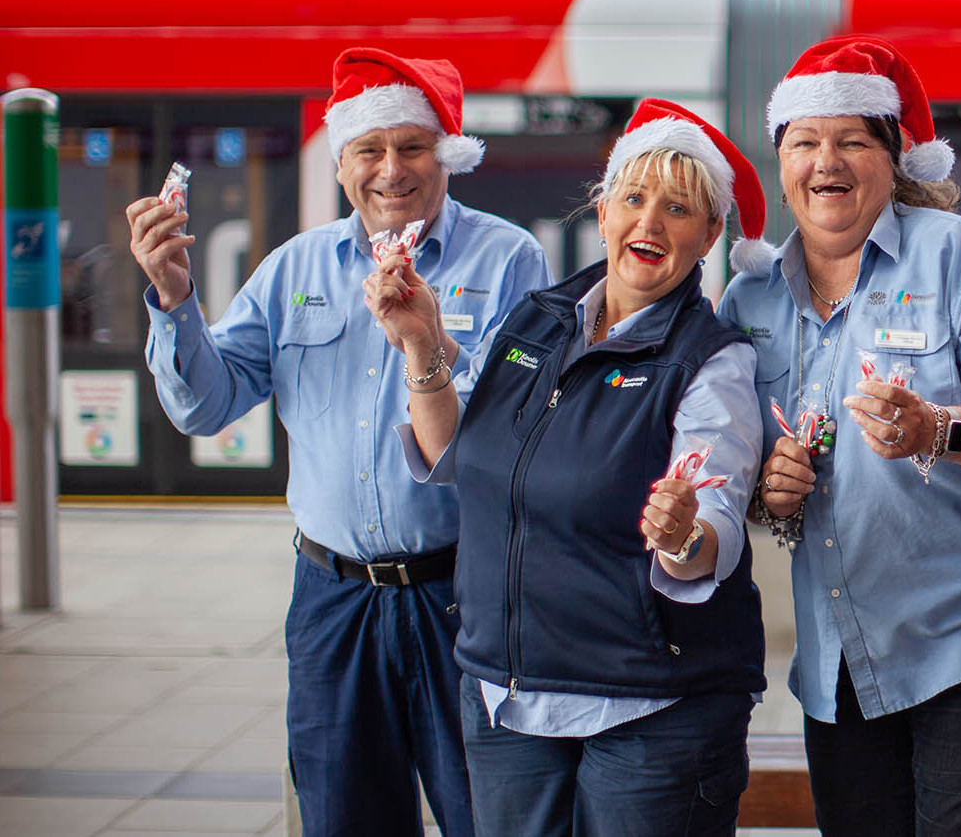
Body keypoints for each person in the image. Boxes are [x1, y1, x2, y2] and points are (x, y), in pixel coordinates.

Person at [125, 47, 552, 835]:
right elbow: (206, 407)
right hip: (332, 601)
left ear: (445, 154)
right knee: (340, 815)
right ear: (344, 162)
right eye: (369, 149)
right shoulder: (295, 268)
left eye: (412, 147)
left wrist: (431, 347)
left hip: (466, 593)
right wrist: (174, 297)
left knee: (487, 814)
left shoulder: (508, 258)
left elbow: (516, 427)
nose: (392, 169)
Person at [369, 98, 769, 837]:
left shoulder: (712, 361)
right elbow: (458, 456)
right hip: (506, 696)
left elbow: (709, 534)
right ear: (604, 209)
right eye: (634, 198)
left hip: (652, 709)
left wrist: (681, 536)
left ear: (711, 234)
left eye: (678, 209)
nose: (649, 223)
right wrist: (422, 349)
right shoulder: (536, 319)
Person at [719, 35, 961, 836]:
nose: (825, 161)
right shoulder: (750, 296)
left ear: (893, 157)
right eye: (804, 141)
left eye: (850, 140)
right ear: (781, 161)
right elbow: (727, 459)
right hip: (841, 659)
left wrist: (933, 429)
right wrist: (768, 489)